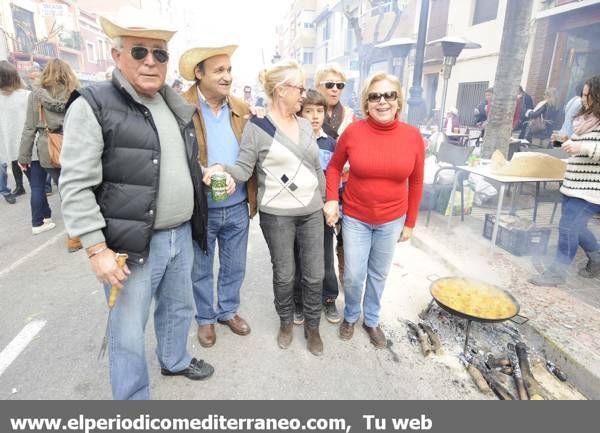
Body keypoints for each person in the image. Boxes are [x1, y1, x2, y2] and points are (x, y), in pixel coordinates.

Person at [58, 9, 218, 399]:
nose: (151, 61)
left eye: (159, 54)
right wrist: (96, 248)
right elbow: (75, 184)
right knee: (128, 331)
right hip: (129, 246)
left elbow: (166, 159)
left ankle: (174, 359)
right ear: (117, 56)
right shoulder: (93, 104)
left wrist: (201, 173)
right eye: (139, 52)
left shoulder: (171, 102)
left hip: (180, 233)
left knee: (178, 311)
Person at [203, 60, 326, 356]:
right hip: (277, 216)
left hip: (311, 212)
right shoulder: (256, 127)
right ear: (282, 90)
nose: (305, 96)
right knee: (285, 274)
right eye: (300, 88)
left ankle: (312, 326)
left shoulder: (306, 125)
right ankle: (286, 322)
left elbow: (316, 167)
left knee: (315, 274)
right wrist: (222, 168)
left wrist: (325, 202)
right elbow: (245, 170)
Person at [323, 72, 425, 348]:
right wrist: (332, 198)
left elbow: (416, 181)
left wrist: (410, 223)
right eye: (375, 96)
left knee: (378, 273)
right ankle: (351, 314)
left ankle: (371, 320)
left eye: (389, 95)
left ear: (398, 101)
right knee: (354, 274)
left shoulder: (413, 137)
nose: (382, 101)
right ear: (366, 102)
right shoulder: (353, 133)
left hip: (392, 219)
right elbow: (333, 168)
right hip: (356, 216)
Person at [178, 44, 257, 348]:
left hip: (237, 206)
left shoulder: (241, 108)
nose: (227, 77)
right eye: (219, 70)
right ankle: (206, 319)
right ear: (199, 74)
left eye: (229, 70)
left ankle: (227, 311)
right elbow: (174, 152)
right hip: (201, 207)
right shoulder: (181, 107)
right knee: (201, 267)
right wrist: (201, 171)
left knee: (235, 264)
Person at [529, 75, 600, 286]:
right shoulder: (585, 119)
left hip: (590, 190)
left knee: (568, 227)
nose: (583, 99)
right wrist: (566, 142)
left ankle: (556, 273)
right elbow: (580, 146)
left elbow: (590, 148)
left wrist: (581, 147)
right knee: (577, 227)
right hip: (572, 184)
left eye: (588, 95)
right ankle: (597, 259)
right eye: (583, 94)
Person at [18, 59, 80, 239]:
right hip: (75, 144)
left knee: (63, 188)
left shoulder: (36, 95)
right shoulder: (76, 92)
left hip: (49, 148)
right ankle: (79, 231)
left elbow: (29, 127)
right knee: (74, 189)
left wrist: (24, 157)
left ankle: (74, 236)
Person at [293, 89, 338, 326]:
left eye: (319, 111)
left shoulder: (330, 143)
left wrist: (334, 206)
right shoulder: (294, 139)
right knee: (299, 259)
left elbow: (335, 177)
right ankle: (298, 301)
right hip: (299, 212)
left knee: (325, 259)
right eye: (308, 111)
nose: (314, 116)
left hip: (323, 213)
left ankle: (328, 298)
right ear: (299, 113)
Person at [315, 64, 356, 319]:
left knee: (342, 244)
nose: (334, 89)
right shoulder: (306, 111)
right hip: (314, 189)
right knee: (316, 245)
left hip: (345, 186)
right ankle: (309, 294)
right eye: (329, 84)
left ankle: (335, 294)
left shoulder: (350, 117)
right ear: (319, 86)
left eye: (339, 85)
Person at [0, 61, 30, 205]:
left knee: (23, 165)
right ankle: (21, 186)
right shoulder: (26, 95)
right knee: (20, 164)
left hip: (15, 140)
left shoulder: (25, 95)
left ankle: (40, 187)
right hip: (22, 140)